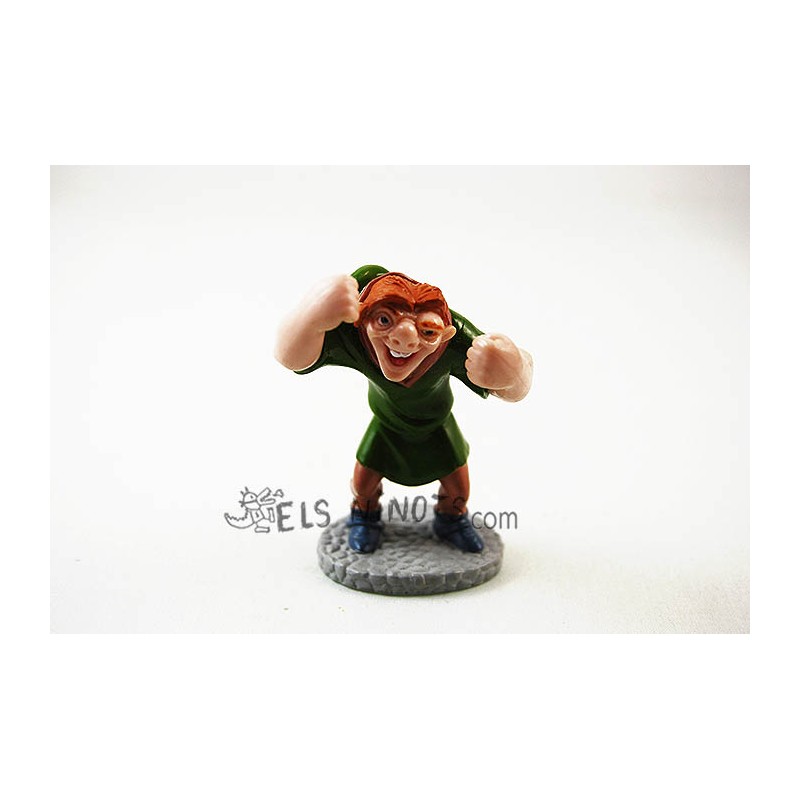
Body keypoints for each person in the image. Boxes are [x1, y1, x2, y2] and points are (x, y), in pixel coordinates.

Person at [275, 265, 533, 553]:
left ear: (445, 335)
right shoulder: (355, 331)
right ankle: (365, 516)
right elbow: (292, 359)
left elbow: (517, 387)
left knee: (459, 489)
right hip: (386, 424)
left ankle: (451, 520)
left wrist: (510, 370)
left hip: (437, 426)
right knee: (363, 483)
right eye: (385, 320)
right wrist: (311, 314)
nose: (406, 339)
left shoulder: (455, 343)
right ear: (364, 319)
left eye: (428, 330)